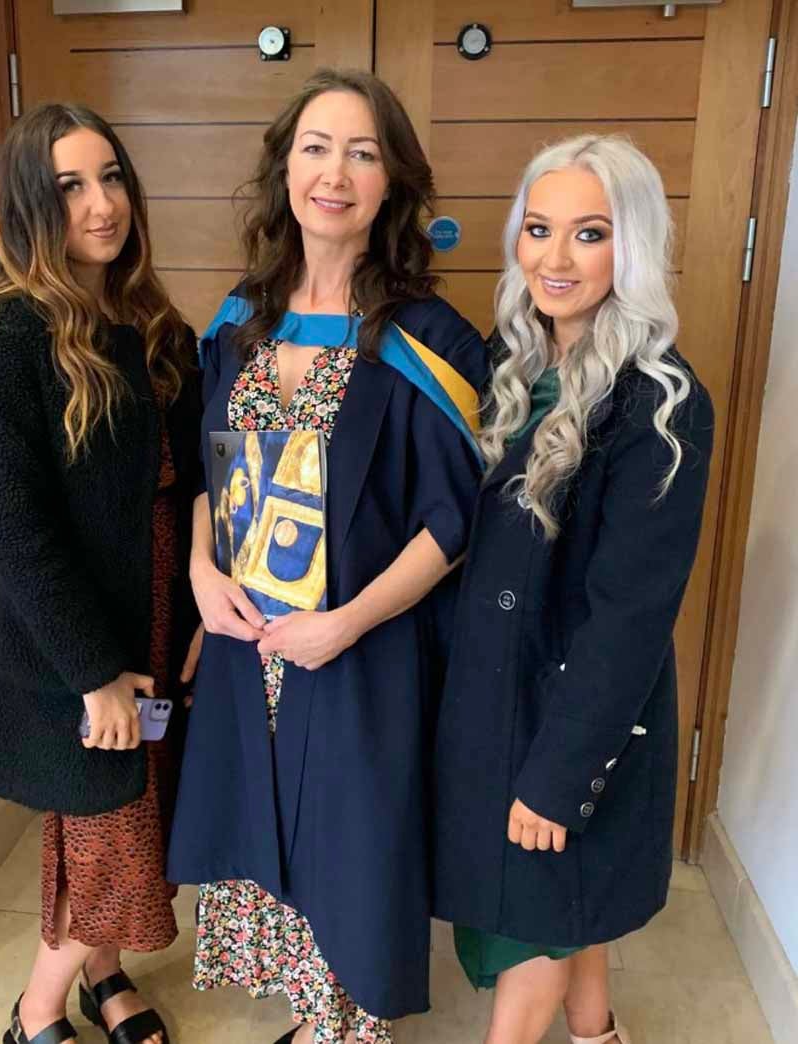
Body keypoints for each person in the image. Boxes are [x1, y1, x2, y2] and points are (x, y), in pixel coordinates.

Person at [166, 69, 487, 1044]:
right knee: (265, 827)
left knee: (351, 844)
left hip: (357, 649)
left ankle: (339, 1028)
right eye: (314, 147)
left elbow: (449, 522)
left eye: (361, 151)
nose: (334, 172)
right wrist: (198, 571)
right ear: (285, 168)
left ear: (391, 181)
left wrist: (343, 625)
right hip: (247, 643)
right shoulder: (240, 319)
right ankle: (309, 1019)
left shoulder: (425, 340)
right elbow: (208, 475)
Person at [432, 135, 715, 1044]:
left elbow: (630, 616)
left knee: (539, 913)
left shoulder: (662, 402)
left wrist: (560, 777)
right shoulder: (505, 366)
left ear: (628, 247)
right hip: (491, 697)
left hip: (574, 712)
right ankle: (598, 1034)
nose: (555, 259)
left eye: (587, 234)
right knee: (554, 899)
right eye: (539, 229)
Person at [0, 103, 201, 1044]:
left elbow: (200, 470)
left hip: (164, 610)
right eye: (69, 187)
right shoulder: (4, 342)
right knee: (107, 836)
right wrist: (92, 673)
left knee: (140, 820)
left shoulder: (151, 324)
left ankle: (107, 977)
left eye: (111, 178)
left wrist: (207, 595)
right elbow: (15, 532)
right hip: (73, 640)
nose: (101, 205)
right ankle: (34, 1013)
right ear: (27, 205)